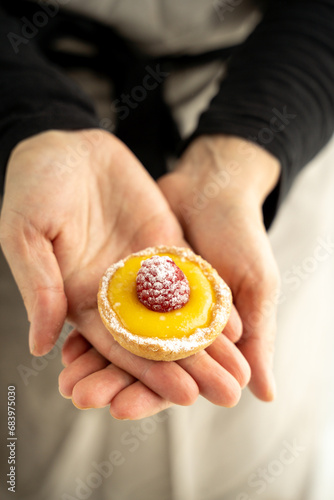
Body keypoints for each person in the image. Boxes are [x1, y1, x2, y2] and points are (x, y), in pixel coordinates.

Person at [0, 1, 334, 499]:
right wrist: (29, 113)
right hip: (37, 139)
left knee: (253, 451)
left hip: (265, 105)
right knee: (43, 446)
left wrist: (247, 143)